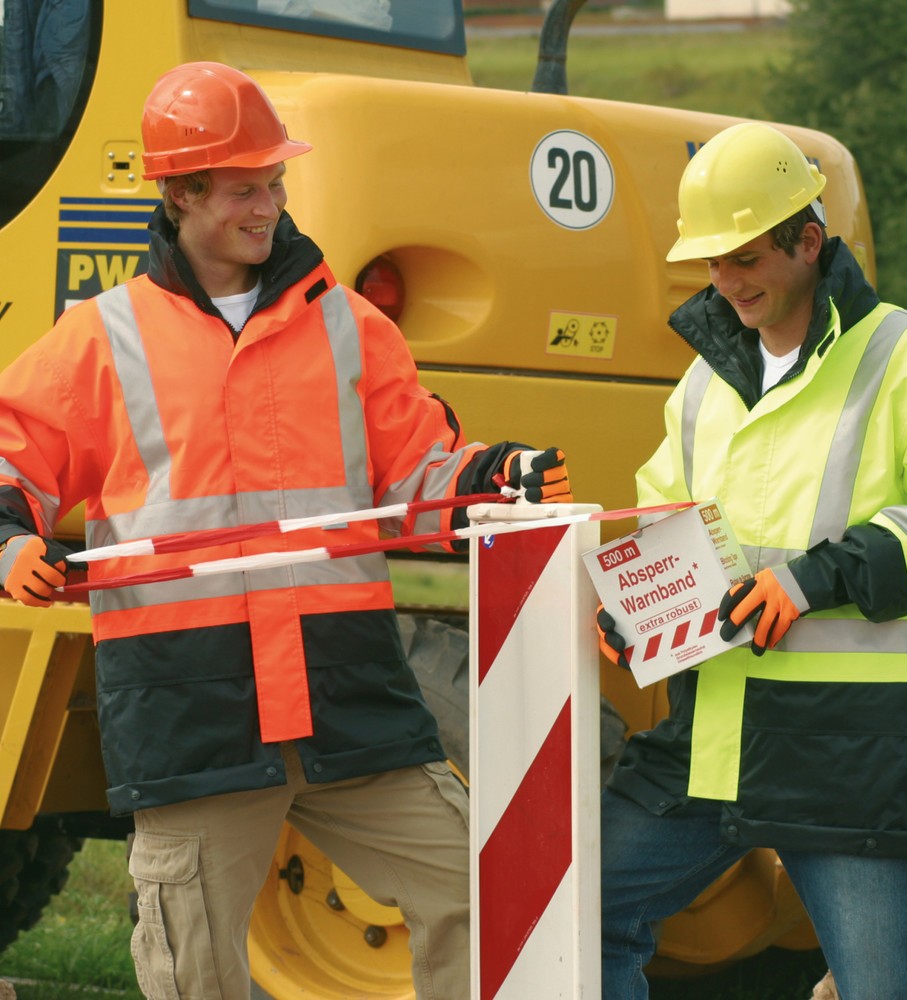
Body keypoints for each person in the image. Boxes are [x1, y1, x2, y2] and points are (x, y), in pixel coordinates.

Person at [0, 61, 572, 1000]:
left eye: (275, 183)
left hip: (345, 701)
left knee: (486, 895)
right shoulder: (105, 336)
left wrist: (490, 478)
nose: (268, 206)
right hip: (196, 718)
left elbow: (418, 472)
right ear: (181, 193)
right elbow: (9, 455)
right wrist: (12, 542)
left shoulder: (348, 324)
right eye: (243, 189)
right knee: (196, 974)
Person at [597, 121, 907, 1000]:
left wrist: (814, 579)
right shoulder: (703, 383)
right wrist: (634, 608)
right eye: (712, 263)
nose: (727, 281)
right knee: (572, 921)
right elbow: (664, 517)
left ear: (808, 242)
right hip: (715, 739)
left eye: (745, 258)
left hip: (853, 754)